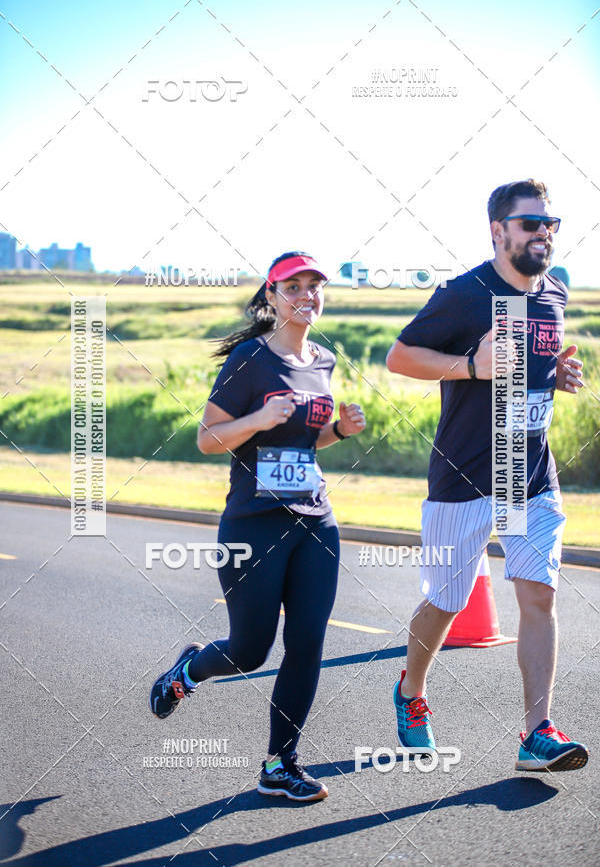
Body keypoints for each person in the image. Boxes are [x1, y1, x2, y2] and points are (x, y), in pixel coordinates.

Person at [386, 179, 589, 772]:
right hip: (466, 478)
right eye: (531, 224)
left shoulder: (554, 292)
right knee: (446, 605)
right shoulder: (464, 294)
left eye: (551, 223)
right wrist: (471, 365)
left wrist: (555, 375)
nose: (543, 233)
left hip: (530, 477)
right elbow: (401, 357)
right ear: (498, 230)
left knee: (538, 596)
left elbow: (531, 360)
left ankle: (536, 733)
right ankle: (412, 690)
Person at [150, 251, 366, 801]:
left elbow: (302, 440)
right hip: (253, 523)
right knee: (251, 650)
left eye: (315, 286)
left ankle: (280, 764)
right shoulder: (249, 358)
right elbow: (207, 438)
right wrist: (257, 419)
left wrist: (337, 431)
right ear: (271, 297)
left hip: (315, 518)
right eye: (294, 286)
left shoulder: (323, 360)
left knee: (308, 643)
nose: (307, 295)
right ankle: (187, 672)